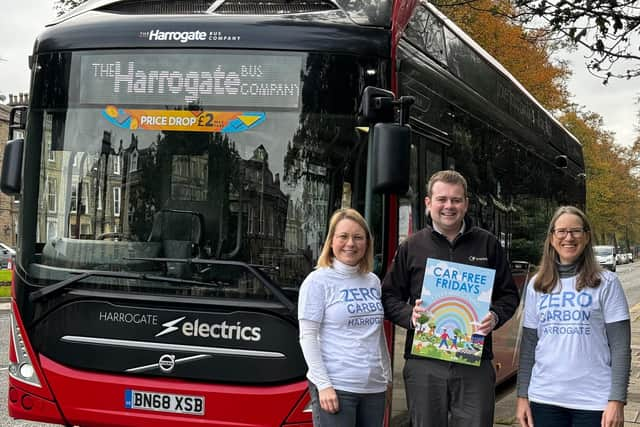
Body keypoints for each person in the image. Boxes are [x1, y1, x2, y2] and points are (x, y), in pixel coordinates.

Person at [382, 169, 520, 427]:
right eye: (442, 199)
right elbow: (389, 296)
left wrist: (496, 316)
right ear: (428, 203)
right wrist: (409, 316)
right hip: (424, 363)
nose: (449, 206)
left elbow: (509, 294)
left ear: (466, 204)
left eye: (456, 200)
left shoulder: (487, 244)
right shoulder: (411, 247)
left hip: (474, 362)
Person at [516, 206, 630, 427]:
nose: (569, 237)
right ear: (551, 238)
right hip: (544, 398)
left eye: (576, 231)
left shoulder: (606, 283)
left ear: (586, 237)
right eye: (561, 231)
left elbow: (621, 347)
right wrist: (522, 397)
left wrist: (617, 400)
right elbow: (529, 346)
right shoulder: (536, 285)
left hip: (594, 402)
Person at [298, 208, 392, 426]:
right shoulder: (317, 281)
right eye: (343, 237)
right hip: (337, 388)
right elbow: (308, 337)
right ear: (331, 241)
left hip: (374, 389)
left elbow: (377, 335)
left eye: (358, 237)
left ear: (367, 243)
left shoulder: (373, 281)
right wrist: (324, 385)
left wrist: (386, 379)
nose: (351, 243)